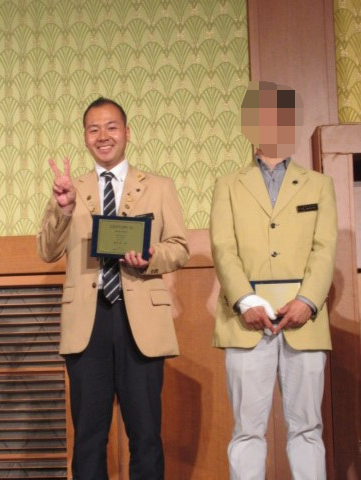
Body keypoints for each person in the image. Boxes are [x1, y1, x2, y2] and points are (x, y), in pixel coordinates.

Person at [37, 97, 189, 480]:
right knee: (89, 438)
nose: (103, 136)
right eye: (94, 129)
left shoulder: (158, 187)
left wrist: (150, 257)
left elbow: (179, 247)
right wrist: (64, 210)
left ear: (127, 133)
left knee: (146, 436)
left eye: (111, 127)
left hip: (142, 321)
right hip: (87, 323)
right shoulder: (70, 189)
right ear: (85, 138)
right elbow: (47, 251)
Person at [210, 81, 337, 479]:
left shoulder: (319, 184)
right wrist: (246, 302)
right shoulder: (228, 184)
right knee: (247, 430)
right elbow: (223, 248)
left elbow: (325, 249)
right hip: (246, 320)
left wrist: (308, 301)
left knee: (307, 428)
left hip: (305, 320)